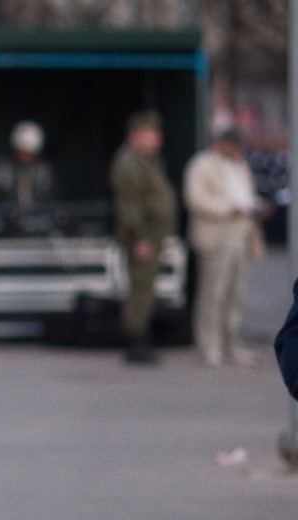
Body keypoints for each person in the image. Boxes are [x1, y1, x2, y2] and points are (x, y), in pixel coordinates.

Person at [184, 127, 260, 367]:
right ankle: (209, 345)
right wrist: (228, 208)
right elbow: (195, 198)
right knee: (213, 292)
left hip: (240, 232)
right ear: (221, 143)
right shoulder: (202, 165)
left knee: (236, 293)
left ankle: (231, 344)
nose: (237, 150)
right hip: (216, 232)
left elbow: (247, 196)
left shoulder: (241, 166)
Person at [109, 110, 178, 365]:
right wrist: (139, 239)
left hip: (151, 235)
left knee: (145, 289)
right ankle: (136, 341)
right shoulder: (129, 163)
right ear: (136, 135)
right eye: (150, 134)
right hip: (142, 236)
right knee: (140, 290)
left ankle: (141, 339)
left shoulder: (146, 161)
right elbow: (130, 207)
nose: (156, 139)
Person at [0, 119, 55, 235]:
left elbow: (50, 200)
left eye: (29, 153)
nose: (25, 157)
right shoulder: (0, 167)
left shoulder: (43, 170)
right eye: (21, 151)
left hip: (37, 229)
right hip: (5, 229)